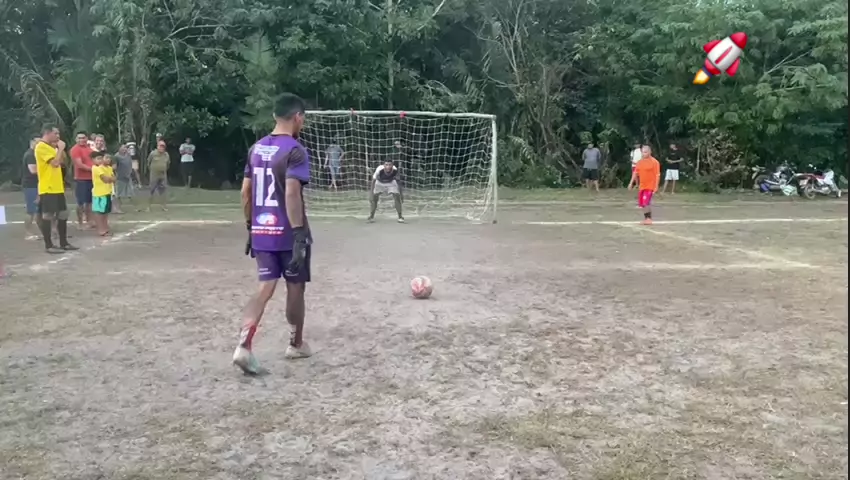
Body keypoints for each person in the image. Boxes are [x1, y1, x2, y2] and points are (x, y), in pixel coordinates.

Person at [233, 93, 313, 375]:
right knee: (295, 287)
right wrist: (299, 233)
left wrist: (250, 226)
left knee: (265, 287)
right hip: (288, 233)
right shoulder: (295, 150)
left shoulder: (255, 149)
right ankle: (296, 344)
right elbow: (292, 193)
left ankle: (243, 345)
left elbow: (245, 192)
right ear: (298, 117)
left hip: (262, 230)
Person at [35, 125, 77, 253]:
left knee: (63, 214)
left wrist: (58, 149)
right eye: (56, 133)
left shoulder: (51, 147)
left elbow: (62, 162)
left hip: (57, 186)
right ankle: (49, 245)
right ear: (47, 133)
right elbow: (54, 163)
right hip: (48, 187)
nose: (58, 136)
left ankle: (64, 242)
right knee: (48, 215)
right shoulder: (41, 146)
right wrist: (61, 148)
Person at [628, 145, 661, 225]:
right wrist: (631, 183)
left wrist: (656, 186)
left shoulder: (655, 162)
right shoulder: (640, 162)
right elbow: (635, 173)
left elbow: (657, 175)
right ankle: (646, 218)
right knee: (642, 203)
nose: (644, 154)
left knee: (646, 202)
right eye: (642, 152)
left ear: (650, 152)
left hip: (650, 186)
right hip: (642, 186)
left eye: (645, 152)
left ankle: (649, 218)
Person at [70, 131, 94, 228]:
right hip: (81, 179)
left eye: (83, 138)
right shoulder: (75, 149)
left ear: (87, 138)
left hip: (91, 178)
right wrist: (93, 169)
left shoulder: (89, 149)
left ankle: (89, 220)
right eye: (79, 138)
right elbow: (79, 164)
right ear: (76, 139)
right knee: (80, 202)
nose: (81, 140)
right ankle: (80, 223)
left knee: (89, 202)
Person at [368, 159, 404, 223]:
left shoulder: (395, 170)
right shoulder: (379, 169)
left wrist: (401, 194)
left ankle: (400, 216)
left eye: (390, 165)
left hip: (391, 182)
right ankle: (371, 216)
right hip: (379, 183)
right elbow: (373, 181)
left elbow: (398, 182)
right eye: (386, 165)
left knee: (397, 197)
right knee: (374, 199)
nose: (388, 166)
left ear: (392, 165)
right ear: (384, 165)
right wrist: (371, 194)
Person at [21, 136, 41, 240]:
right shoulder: (30, 154)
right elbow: (33, 170)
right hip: (31, 185)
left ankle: (42, 231)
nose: (39, 144)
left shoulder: (35, 153)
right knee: (31, 210)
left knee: (38, 210)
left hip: (36, 185)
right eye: (37, 142)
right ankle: (28, 233)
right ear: (32, 142)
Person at [146, 140, 170, 211]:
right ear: (157, 146)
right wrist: (153, 170)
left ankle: (163, 206)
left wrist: (163, 169)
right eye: (161, 146)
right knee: (151, 190)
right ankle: (148, 206)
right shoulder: (153, 153)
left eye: (163, 146)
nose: (162, 148)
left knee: (163, 191)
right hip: (154, 175)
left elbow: (168, 164)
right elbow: (148, 162)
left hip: (163, 175)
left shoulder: (166, 155)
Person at [112, 144, 135, 213]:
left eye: (125, 147)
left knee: (130, 193)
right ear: (119, 148)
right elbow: (114, 167)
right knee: (118, 194)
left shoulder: (128, 155)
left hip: (128, 177)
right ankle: (116, 208)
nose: (124, 149)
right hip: (120, 177)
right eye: (123, 147)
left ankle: (131, 207)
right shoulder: (116, 156)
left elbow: (130, 164)